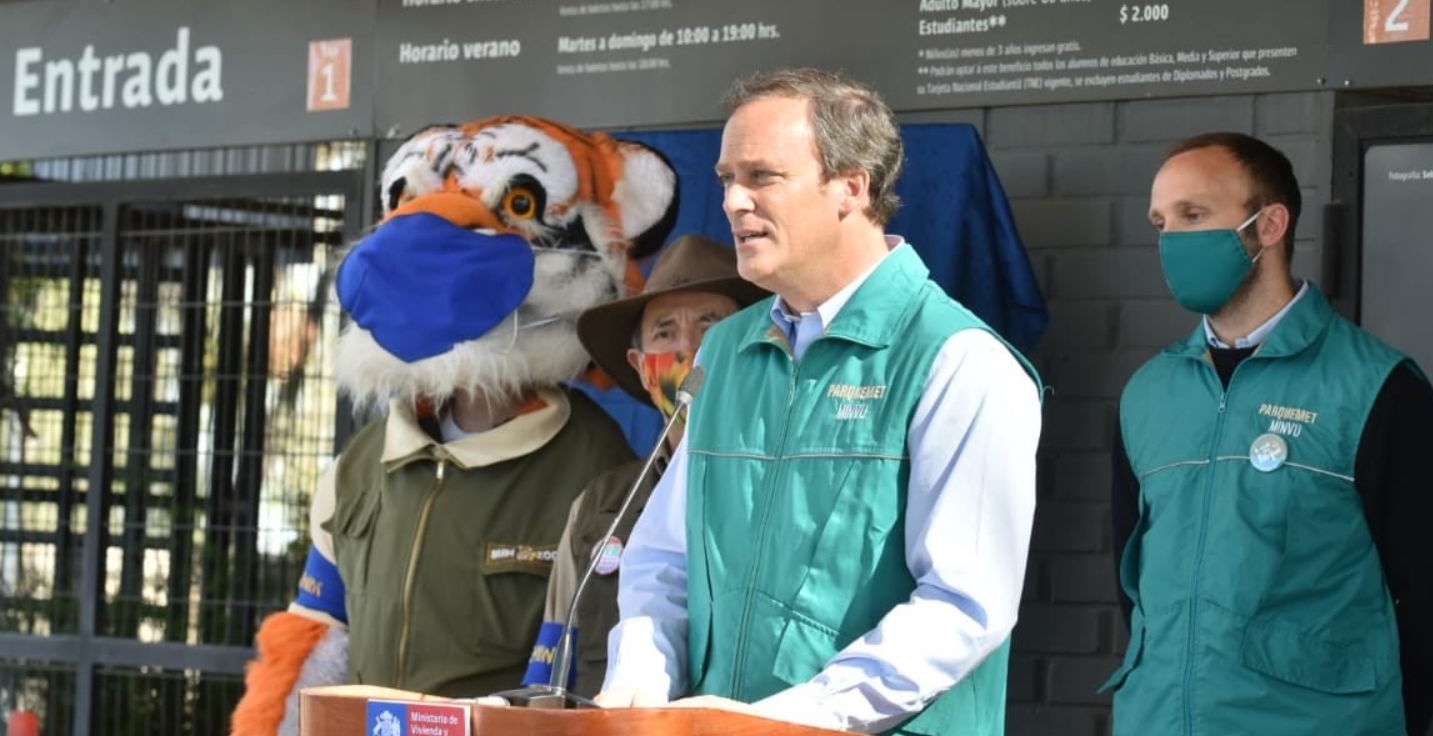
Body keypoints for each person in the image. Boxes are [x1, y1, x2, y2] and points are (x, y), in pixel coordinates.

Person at [597, 68, 1042, 735]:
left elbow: (963, 605)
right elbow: (664, 558)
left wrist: (793, 722)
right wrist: (641, 684)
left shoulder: (960, 361)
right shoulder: (723, 352)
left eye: (762, 177)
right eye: (726, 180)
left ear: (851, 187)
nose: (734, 202)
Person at [230, 116, 679, 736]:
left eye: (520, 201)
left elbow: (579, 682)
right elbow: (319, 634)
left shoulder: (599, 473)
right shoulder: (363, 463)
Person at [1103, 132, 1433, 735]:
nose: (1172, 239)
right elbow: (1136, 590)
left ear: (1270, 224)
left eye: (1194, 214)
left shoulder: (1376, 388)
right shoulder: (1148, 395)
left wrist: (1376, 721)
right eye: (1161, 222)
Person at [523, 234, 765, 697]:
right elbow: (553, 674)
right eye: (665, 332)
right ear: (640, 366)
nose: (690, 350)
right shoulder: (601, 504)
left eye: (711, 327)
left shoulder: (788, 482)